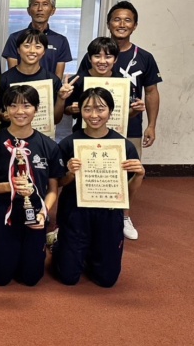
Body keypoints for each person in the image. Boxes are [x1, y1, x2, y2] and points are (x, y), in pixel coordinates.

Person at [77, 2, 161, 240]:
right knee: (92, 169)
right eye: (116, 19)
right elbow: (84, 85)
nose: (121, 24)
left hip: (129, 125)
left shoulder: (144, 57)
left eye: (127, 20)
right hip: (91, 126)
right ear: (108, 23)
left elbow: (152, 92)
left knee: (130, 171)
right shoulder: (94, 53)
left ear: (134, 25)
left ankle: (123, 214)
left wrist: (151, 124)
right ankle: (86, 213)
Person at [54, 88, 145, 287]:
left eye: (100, 109)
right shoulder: (69, 144)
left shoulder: (123, 146)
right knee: (67, 277)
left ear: (111, 111)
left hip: (109, 213)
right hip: (76, 212)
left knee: (106, 280)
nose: (94, 115)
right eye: (87, 109)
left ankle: (89, 250)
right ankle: (61, 244)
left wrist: (139, 175)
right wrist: (70, 173)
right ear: (81, 112)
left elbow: (128, 193)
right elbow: (58, 184)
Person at [0, 85, 62, 286]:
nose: (20, 111)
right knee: (1, 278)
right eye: (13, 106)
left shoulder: (48, 146)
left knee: (31, 278)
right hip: (3, 213)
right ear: (6, 110)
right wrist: (9, 187)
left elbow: (52, 190)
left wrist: (43, 213)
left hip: (36, 214)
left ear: (37, 109)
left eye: (26, 106)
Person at [65, 37, 142, 132]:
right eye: (97, 56)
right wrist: (71, 109)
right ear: (89, 58)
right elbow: (65, 110)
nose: (102, 61)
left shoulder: (123, 83)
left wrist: (136, 110)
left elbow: (125, 114)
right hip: (82, 134)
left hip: (113, 135)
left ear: (115, 59)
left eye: (108, 57)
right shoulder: (77, 81)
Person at [0, 31, 73, 128]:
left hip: (41, 137)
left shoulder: (52, 80)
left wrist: (61, 99)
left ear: (44, 52)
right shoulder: (4, 79)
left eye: (38, 47)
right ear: (18, 50)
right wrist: (2, 116)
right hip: (9, 137)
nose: (32, 51)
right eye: (27, 46)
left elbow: (55, 120)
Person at [1, 0, 72, 78]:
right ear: (28, 10)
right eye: (35, 4)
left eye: (45, 4)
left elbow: (58, 76)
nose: (40, 9)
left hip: (48, 89)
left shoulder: (61, 40)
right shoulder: (15, 38)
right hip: (21, 90)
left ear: (53, 10)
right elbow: (13, 75)